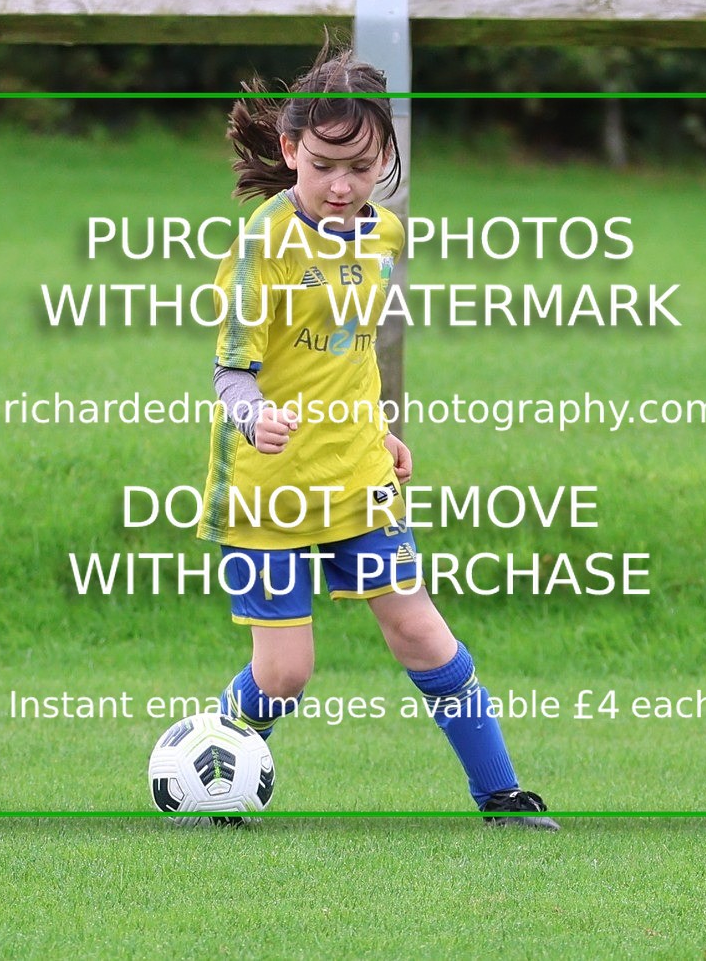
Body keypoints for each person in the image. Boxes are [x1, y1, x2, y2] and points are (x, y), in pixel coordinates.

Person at [197, 43, 558, 829]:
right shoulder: (261, 248)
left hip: (360, 472)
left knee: (421, 631)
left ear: (386, 160)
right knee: (286, 672)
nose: (342, 185)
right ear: (290, 149)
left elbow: (350, 353)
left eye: (362, 167)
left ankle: (501, 794)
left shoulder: (384, 237)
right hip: (272, 487)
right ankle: (205, 769)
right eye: (325, 164)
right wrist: (256, 415)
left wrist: (381, 429)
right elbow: (231, 373)